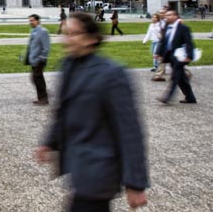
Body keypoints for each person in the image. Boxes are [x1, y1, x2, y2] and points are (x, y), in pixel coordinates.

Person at [35, 12, 149, 212]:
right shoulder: (68, 65)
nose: (66, 39)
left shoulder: (112, 74)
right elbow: (63, 111)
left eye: (73, 34)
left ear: (91, 38)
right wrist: (48, 142)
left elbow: (130, 131)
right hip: (80, 165)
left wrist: (136, 183)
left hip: (101, 168)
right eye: (64, 33)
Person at [155, 9, 197, 104]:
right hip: (170, 56)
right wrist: (158, 53)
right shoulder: (166, 27)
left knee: (175, 76)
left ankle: (167, 96)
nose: (167, 17)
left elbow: (189, 43)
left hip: (180, 56)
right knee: (182, 78)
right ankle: (190, 98)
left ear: (176, 16)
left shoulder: (183, 28)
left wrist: (190, 56)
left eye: (170, 15)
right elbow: (163, 41)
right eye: (166, 15)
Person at [25, 14, 50, 105]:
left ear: (37, 21)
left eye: (32, 20)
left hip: (39, 60)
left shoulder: (43, 31)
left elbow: (46, 47)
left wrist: (42, 58)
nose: (30, 22)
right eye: (30, 20)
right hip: (34, 59)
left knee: (37, 78)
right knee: (35, 78)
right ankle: (43, 96)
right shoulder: (34, 31)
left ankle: (44, 98)